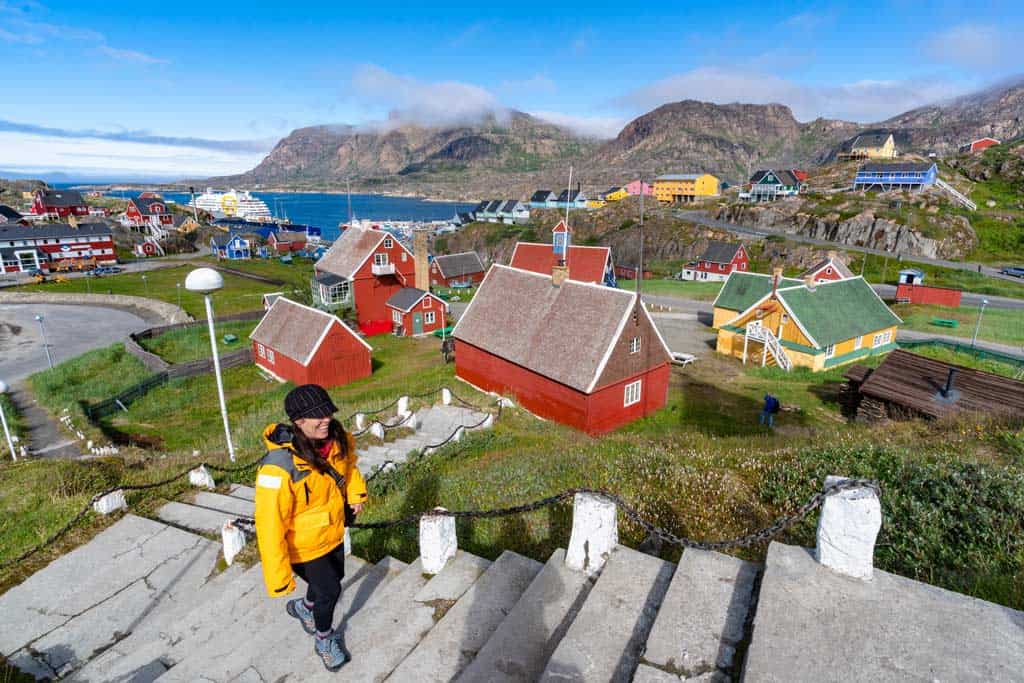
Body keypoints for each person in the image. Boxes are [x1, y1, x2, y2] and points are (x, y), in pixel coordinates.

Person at [254, 384, 368, 671]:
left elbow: (349, 467)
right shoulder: (278, 468)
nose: (326, 419)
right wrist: (279, 578)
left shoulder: (337, 439)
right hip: (302, 547)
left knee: (336, 577)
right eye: (317, 415)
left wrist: (355, 494)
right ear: (298, 421)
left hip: (333, 531)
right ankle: (323, 639)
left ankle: (305, 608)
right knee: (329, 592)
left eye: (327, 411)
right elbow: (268, 527)